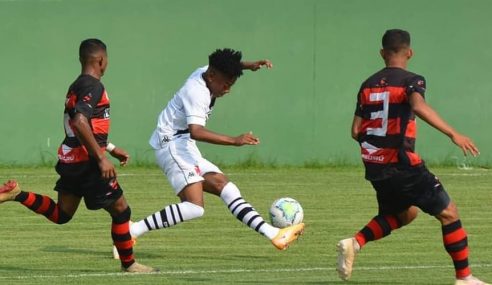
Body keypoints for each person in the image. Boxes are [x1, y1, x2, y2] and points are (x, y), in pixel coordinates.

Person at [116, 48, 304, 256]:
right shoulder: (196, 91)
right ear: (212, 76)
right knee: (195, 207)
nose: (227, 89)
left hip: (183, 143)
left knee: (226, 187)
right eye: (226, 84)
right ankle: (130, 232)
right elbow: (196, 131)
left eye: (231, 84)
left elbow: (222, 65)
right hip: (170, 145)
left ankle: (274, 234)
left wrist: (247, 66)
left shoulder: (208, 72)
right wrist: (234, 140)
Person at [336, 29, 489, 285]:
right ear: (410, 52)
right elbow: (418, 105)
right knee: (449, 212)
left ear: (382, 54)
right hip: (401, 164)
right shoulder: (412, 80)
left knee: (406, 214)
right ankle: (464, 278)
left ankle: (355, 242)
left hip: (376, 166)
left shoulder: (367, 84)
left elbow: (355, 131)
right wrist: (454, 134)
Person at [0, 39, 156, 273]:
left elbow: (81, 126)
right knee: (122, 210)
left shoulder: (76, 85)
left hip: (71, 161)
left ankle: (17, 194)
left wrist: (111, 148)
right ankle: (130, 264)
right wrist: (102, 158)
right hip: (88, 164)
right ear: (101, 60)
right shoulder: (94, 87)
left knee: (62, 213)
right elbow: (80, 121)